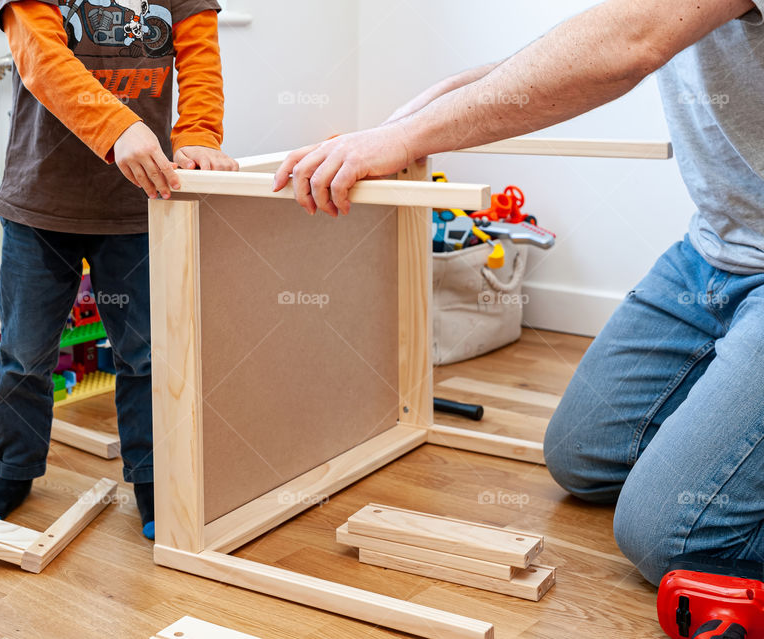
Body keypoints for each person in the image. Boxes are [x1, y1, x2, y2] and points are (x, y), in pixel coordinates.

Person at [273, 0, 764, 585]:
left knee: (670, 536)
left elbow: (631, 41)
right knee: (586, 458)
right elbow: (582, 43)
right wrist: (406, 122)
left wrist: (409, 135)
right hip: (715, 250)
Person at [0, 0, 237, 541]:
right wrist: (118, 129)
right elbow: (40, 57)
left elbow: (201, 60)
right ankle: (12, 473)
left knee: (147, 356)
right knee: (24, 354)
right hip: (40, 202)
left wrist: (201, 132)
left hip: (139, 204)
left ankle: (152, 480)